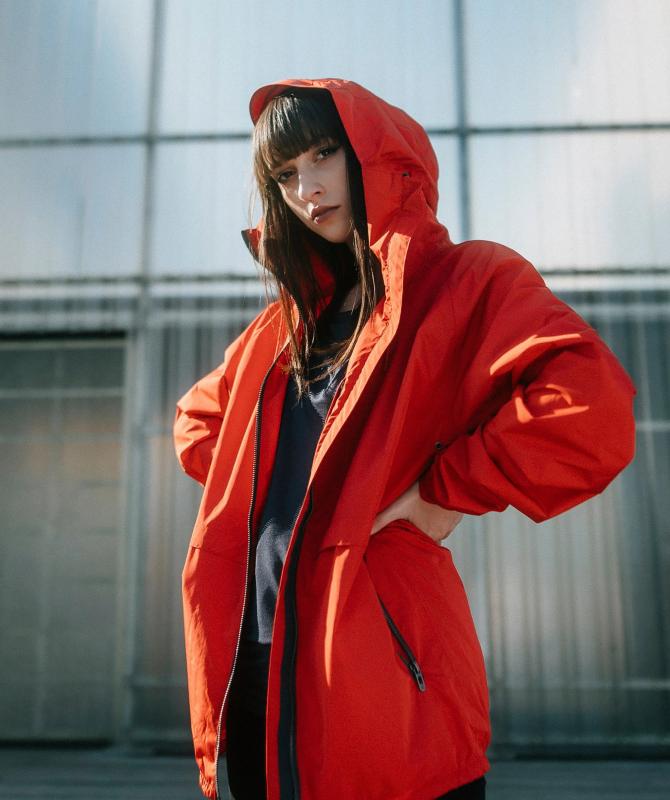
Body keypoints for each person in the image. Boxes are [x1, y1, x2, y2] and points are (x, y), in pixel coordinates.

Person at [173, 78, 636, 800]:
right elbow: (197, 425)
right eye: (285, 175)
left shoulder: (463, 284)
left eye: (323, 155)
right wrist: (281, 491)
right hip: (260, 673)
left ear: (375, 155)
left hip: (387, 673)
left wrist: (440, 493)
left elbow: (587, 406)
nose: (307, 189)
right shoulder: (281, 329)